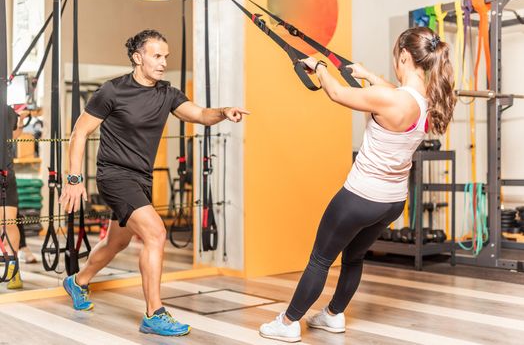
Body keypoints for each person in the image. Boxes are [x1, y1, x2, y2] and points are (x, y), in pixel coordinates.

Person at [259, 26, 456, 342]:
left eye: (396, 57)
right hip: (391, 202)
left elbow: (337, 93)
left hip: (360, 198)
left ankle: (287, 322)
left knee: (320, 259)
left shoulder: (391, 99)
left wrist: (319, 66)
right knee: (353, 257)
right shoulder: (428, 100)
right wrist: (367, 74)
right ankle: (333, 316)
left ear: (404, 56)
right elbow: (394, 92)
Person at [59, 29, 249, 337]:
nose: (162, 63)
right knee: (156, 233)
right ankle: (154, 312)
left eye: (165, 57)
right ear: (138, 57)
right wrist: (74, 178)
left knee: (116, 242)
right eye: (156, 56)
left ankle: (77, 281)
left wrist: (223, 112)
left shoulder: (167, 93)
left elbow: (199, 114)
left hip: (141, 178)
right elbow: (79, 132)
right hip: (114, 175)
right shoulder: (112, 91)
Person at [1, 106, 32, 289]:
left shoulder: (7, 111)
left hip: (5, 173)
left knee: (9, 222)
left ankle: (13, 271)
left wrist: (20, 122)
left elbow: (10, 137)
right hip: (6, 172)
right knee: (9, 222)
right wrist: (19, 123)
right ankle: (13, 271)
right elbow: (12, 136)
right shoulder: (7, 110)